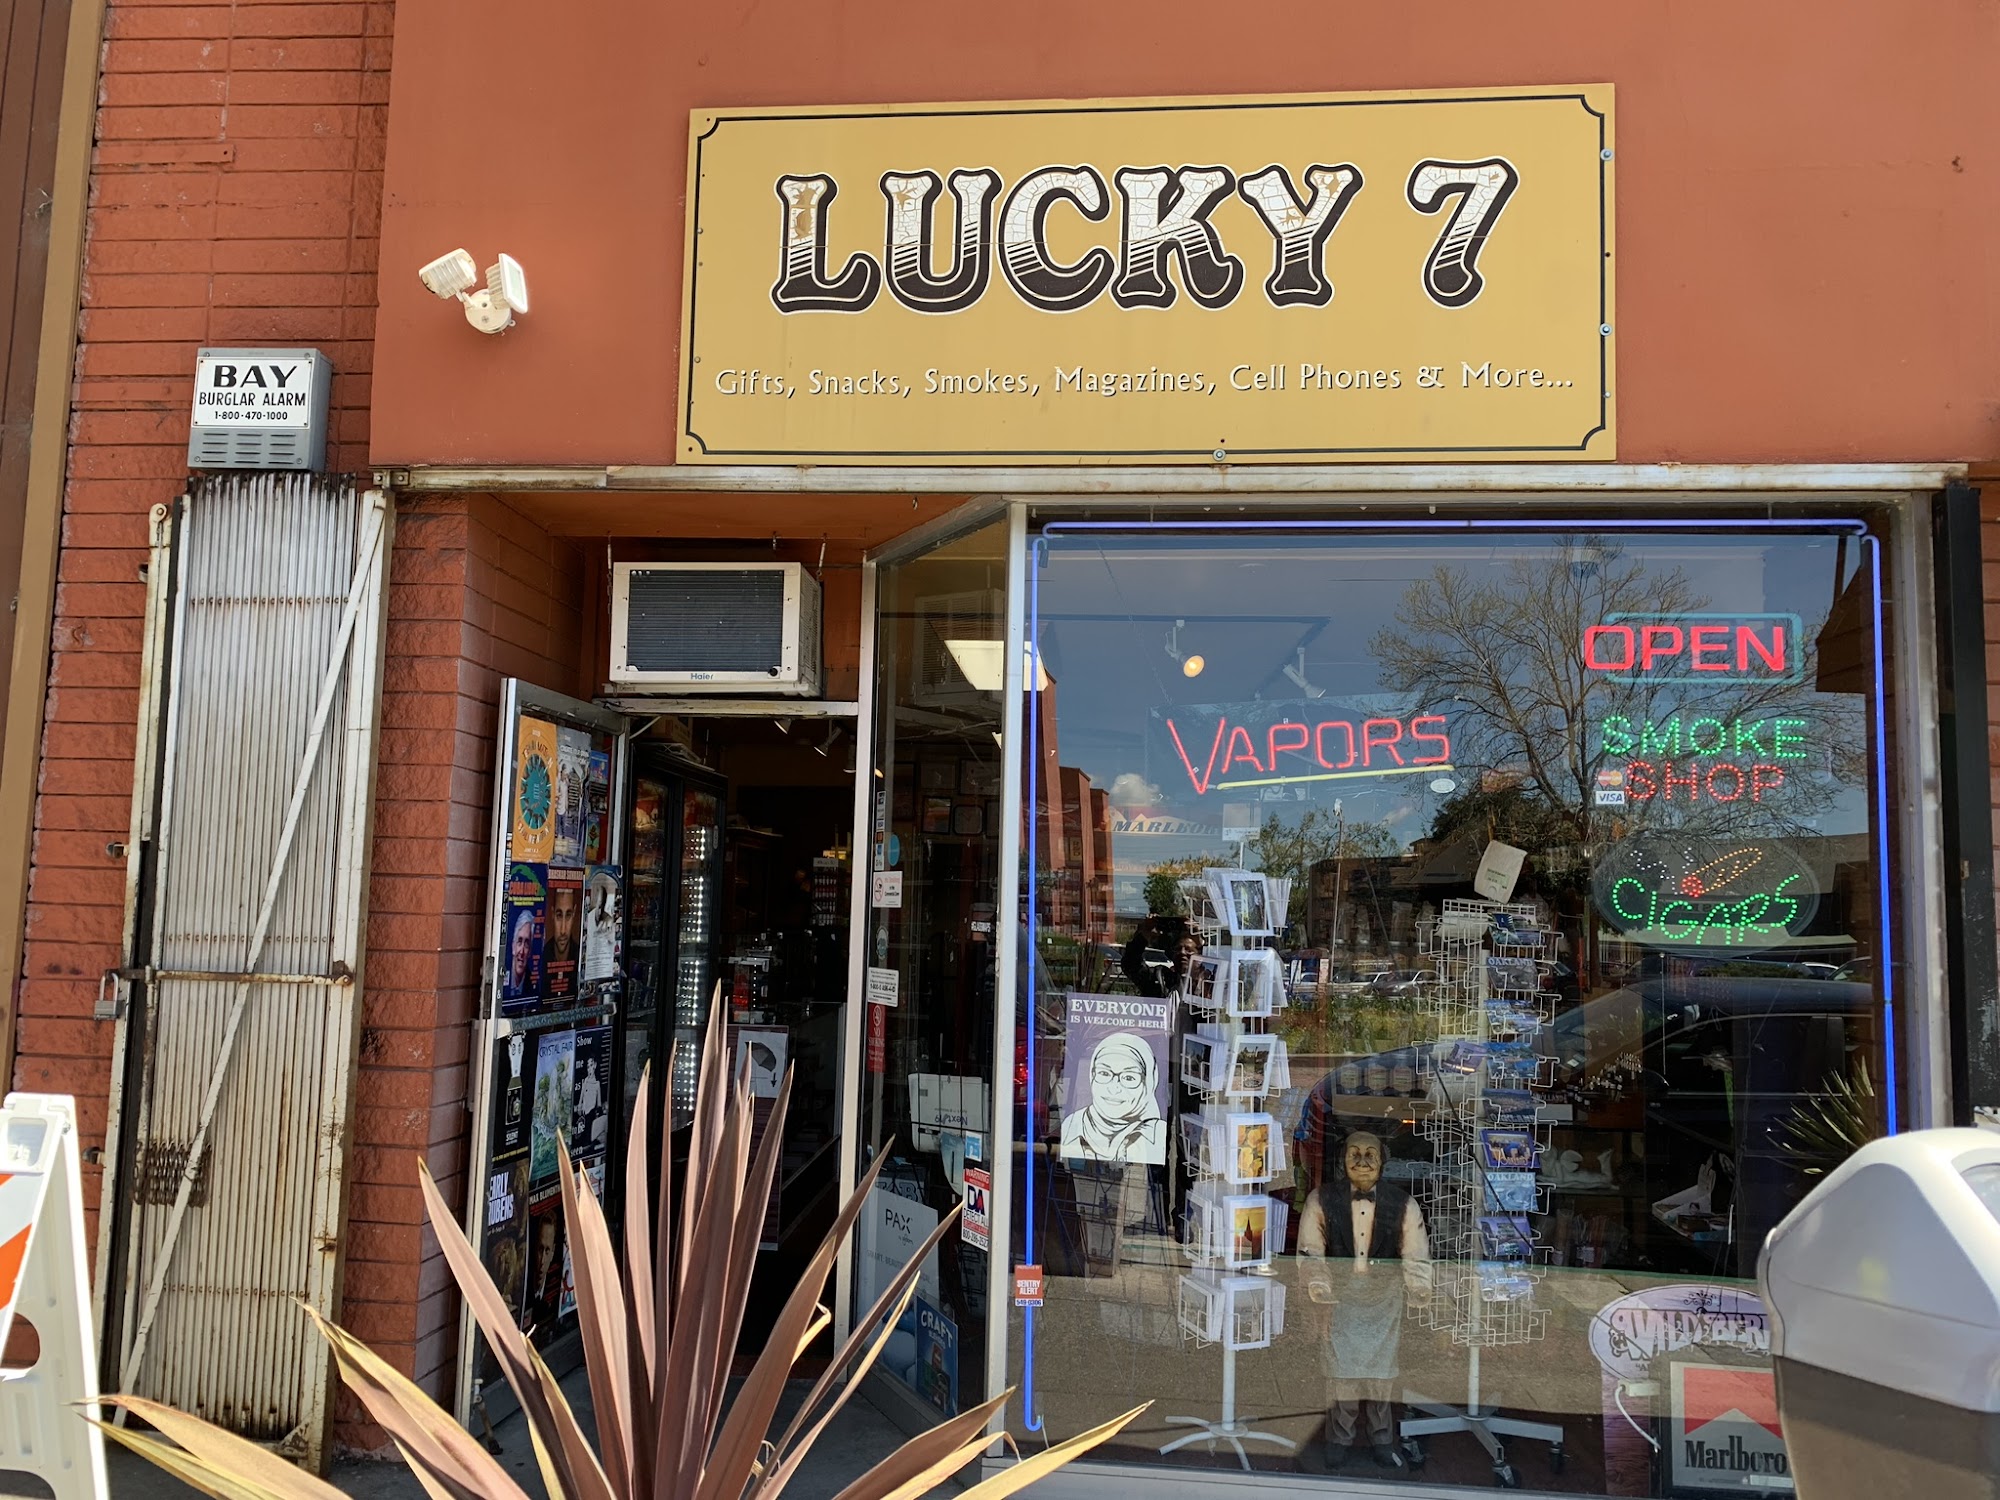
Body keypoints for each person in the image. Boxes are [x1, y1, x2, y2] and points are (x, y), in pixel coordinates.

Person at [1298, 1131, 1432, 1472]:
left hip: (1384, 1301)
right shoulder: (1320, 1199)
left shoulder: (1404, 1204)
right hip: (1338, 1299)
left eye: (1370, 1153)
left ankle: (1382, 1440)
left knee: (1381, 1377)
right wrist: (1318, 1284)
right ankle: (1339, 1440)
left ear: (1382, 1160)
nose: (1361, 1161)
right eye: (1353, 1153)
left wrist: (1419, 1287)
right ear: (1342, 1159)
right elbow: (1310, 1251)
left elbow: (1416, 1254)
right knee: (1341, 1375)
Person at [1060, 1032, 1165, 1162]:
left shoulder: (1158, 1135)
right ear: (1092, 1075)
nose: (1114, 1088)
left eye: (1129, 1077)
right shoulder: (1072, 1125)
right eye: (1104, 1073)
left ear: (1148, 1084)